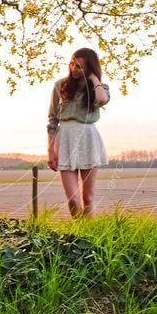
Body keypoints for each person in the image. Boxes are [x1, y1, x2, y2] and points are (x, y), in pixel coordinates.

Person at [46, 47, 110, 217]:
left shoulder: (99, 88)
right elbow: (52, 121)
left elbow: (102, 100)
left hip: (88, 139)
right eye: (73, 64)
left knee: (87, 197)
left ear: (90, 68)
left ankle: (88, 237)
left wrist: (94, 78)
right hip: (64, 140)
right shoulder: (60, 85)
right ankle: (79, 236)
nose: (74, 69)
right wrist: (50, 151)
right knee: (73, 200)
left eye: (80, 67)